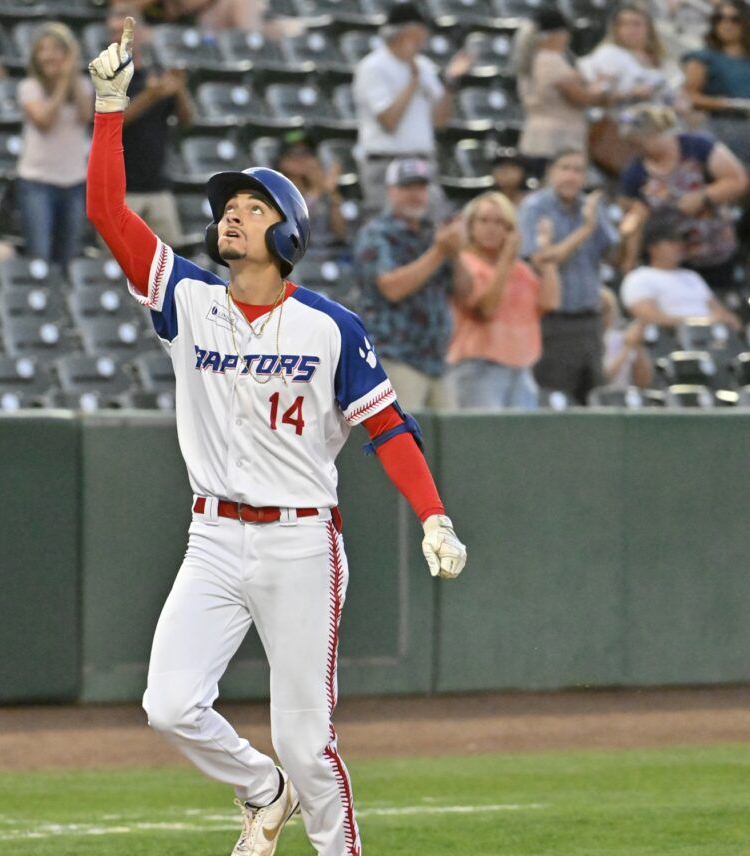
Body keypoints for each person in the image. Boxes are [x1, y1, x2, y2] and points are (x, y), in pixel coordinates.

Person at [87, 20, 467, 856]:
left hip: (300, 544)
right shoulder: (187, 299)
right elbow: (108, 211)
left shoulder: (331, 327)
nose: (231, 217)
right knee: (169, 703)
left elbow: (386, 427)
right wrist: (110, 108)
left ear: (287, 237)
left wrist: (433, 514)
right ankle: (263, 791)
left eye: (252, 209)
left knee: (308, 738)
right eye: (227, 207)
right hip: (214, 535)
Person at [353, 158, 466, 411]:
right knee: (404, 442)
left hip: (438, 360)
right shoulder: (376, 233)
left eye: (420, 188)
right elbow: (391, 288)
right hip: (395, 356)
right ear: (390, 191)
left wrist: (456, 253)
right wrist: (439, 251)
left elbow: (465, 294)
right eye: (407, 188)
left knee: (451, 443)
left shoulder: (432, 232)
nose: (415, 195)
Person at [518, 150, 619, 404]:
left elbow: (615, 256)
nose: (571, 176)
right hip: (553, 322)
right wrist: (585, 229)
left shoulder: (592, 207)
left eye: (578, 170)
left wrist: (632, 226)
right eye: (565, 168)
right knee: (554, 399)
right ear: (550, 172)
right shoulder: (534, 207)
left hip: (589, 321)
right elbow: (540, 261)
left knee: (593, 397)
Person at [447, 191, 561, 409]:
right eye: (484, 221)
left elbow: (550, 303)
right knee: (486, 439)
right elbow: (486, 309)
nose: (491, 228)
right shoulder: (466, 264)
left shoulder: (520, 270)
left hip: (521, 368)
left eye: (500, 222)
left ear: (510, 230)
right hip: (479, 367)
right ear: (470, 226)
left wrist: (547, 258)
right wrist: (506, 261)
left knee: (521, 441)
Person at [351, 2, 469, 213]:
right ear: (405, 32)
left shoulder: (424, 66)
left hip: (422, 163)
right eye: (420, 30)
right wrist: (413, 80)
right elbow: (389, 122)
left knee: (435, 224)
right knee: (388, 232)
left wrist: (450, 82)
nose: (424, 36)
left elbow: (440, 121)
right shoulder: (373, 67)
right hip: (385, 164)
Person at [617, 104, 749, 292]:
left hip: (713, 249)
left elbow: (737, 180)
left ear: (658, 133)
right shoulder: (635, 173)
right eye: (631, 146)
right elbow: (633, 218)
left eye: (639, 144)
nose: (637, 150)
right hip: (671, 260)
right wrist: (629, 260)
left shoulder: (697, 147)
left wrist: (704, 196)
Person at [111, 4, 193, 248]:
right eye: (114, 34)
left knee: (169, 264)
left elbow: (188, 120)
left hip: (158, 186)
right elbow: (111, 123)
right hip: (121, 190)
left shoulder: (155, 73)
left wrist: (180, 90)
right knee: (119, 263)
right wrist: (149, 96)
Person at [16, 22, 93, 265]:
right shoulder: (29, 87)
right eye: (42, 50)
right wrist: (61, 83)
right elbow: (44, 121)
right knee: (40, 253)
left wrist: (71, 77)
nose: (49, 56)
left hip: (74, 181)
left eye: (56, 49)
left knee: (68, 255)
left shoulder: (83, 87)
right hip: (37, 182)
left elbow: (85, 115)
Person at [682, 0, 750, 171]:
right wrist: (729, 104)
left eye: (734, 19)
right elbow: (690, 96)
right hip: (720, 126)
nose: (726, 25)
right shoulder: (703, 57)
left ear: (746, 22)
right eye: (719, 19)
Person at [513, 7, 612, 178]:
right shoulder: (552, 62)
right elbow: (581, 98)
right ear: (556, 34)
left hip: (535, 135)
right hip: (557, 140)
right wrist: (601, 87)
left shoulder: (531, 58)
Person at [619, 212, 742, 329]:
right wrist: (700, 322)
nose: (679, 245)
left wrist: (726, 319)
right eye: (672, 240)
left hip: (711, 341)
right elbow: (648, 318)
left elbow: (723, 315)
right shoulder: (639, 278)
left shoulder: (692, 277)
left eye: (681, 240)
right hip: (671, 344)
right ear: (653, 247)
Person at [579, 4, 679, 106]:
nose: (630, 29)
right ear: (616, 29)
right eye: (623, 24)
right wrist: (630, 93)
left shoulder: (662, 60)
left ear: (649, 28)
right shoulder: (611, 53)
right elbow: (594, 94)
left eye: (636, 24)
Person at [276, 135, 348, 250]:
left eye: (307, 153)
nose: (302, 159)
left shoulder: (323, 191)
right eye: (294, 153)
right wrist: (320, 189)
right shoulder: (276, 191)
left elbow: (341, 233)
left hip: (325, 252)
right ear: (282, 161)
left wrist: (332, 193)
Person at [598, 286, 654, 388]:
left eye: (606, 309)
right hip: (599, 400)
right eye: (598, 310)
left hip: (625, 398)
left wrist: (638, 345)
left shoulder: (623, 337)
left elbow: (644, 382)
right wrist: (627, 348)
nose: (602, 315)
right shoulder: (581, 341)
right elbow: (601, 379)